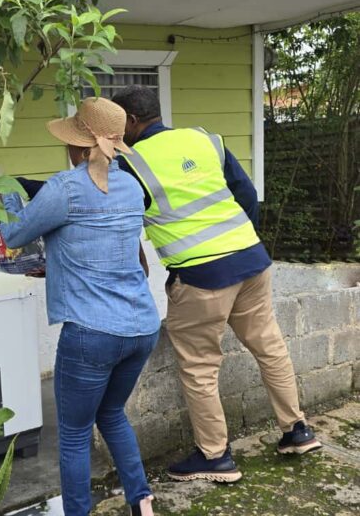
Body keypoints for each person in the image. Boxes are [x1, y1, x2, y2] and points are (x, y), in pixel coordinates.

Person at [111, 85, 321, 483]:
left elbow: (107, 213)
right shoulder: (205, 139)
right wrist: (240, 245)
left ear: (132, 121)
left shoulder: (129, 164)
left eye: (118, 125)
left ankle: (215, 456)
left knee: (200, 367)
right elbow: (247, 194)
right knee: (270, 347)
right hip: (251, 261)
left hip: (201, 278)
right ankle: (297, 431)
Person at [0, 98, 160, 516]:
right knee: (112, 414)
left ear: (77, 144)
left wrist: (9, 194)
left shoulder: (65, 187)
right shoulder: (132, 187)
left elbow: (14, 236)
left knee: (73, 435)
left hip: (92, 332)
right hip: (142, 326)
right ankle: (142, 504)